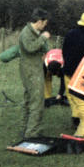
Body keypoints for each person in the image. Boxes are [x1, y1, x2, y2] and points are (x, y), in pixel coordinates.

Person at [18, 8, 51, 138]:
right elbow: (30, 48)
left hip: (33, 69)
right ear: (39, 21)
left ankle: (25, 129)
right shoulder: (26, 33)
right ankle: (32, 133)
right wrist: (43, 38)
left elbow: (36, 48)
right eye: (45, 23)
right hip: (30, 71)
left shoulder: (34, 32)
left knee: (29, 100)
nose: (45, 25)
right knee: (36, 102)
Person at [62, 10, 84, 126]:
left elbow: (64, 51)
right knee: (82, 98)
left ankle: (75, 117)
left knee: (71, 97)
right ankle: (81, 120)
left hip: (67, 71)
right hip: (80, 74)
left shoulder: (69, 34)